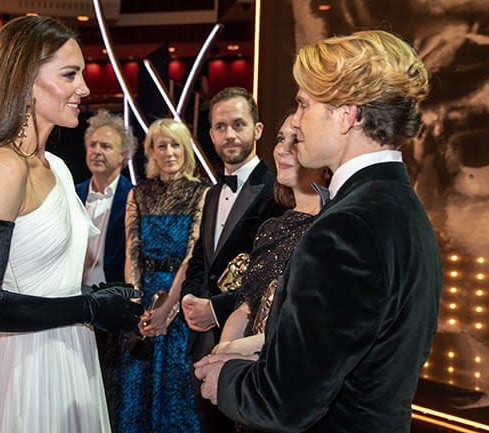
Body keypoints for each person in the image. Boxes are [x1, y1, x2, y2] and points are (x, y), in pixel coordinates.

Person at [194, 30, 442, 433]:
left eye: (304, 104)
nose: (294, 120)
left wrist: (223, 381)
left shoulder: (347, 228)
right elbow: (341, 354)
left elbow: (284, 404)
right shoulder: (403, 208)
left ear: (347, 115)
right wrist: (252, 358)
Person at [0, 15, 143, 433]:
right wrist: (91, 307)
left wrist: (100, 294)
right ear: (24, 80)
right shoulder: (4, 166)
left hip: (74, 353)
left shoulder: (55, 165)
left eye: (83, 74)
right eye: (70, 74)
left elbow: (48, 279)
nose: (85, 88)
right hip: (30, 366)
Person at [179, 87, 285, 433]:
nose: (229, 134)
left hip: (247, 345)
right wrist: (190, 300)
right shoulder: (210, 193)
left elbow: (272, 276)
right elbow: (199, 259)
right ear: (210, 134)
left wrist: (216, 308)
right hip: (202, 344)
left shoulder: (278, 191)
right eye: (220, 126)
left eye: (238, 124)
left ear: (257, 129)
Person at [110, 119, 208, 433]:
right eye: (161, 145)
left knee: (176, 390)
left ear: (186, 148)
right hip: (144, 301)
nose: (169, 152)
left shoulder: (202, 194)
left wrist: (169, 308)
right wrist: (138, 306)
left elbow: (192, 256)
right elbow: (132, 252)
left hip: (180, 299)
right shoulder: (138, 195)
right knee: (137, 386)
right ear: (151, 151)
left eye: (175, 144)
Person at [213, 114, 327, 359]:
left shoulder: (330, 226)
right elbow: (246, 307)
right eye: (280, 139)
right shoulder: (271, 227)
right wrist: (223, 354)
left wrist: (232, 352)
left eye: (295, 140)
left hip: (288, 368)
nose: (282, 150)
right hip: (244, 374)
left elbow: (308, 327)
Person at [76, 109, 137, 286]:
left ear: (122, 155)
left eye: (105, 146)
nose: (96, 151)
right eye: (92, 145)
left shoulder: (135, 198)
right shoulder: (73, 194)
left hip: (115, 297)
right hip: (74, 297)